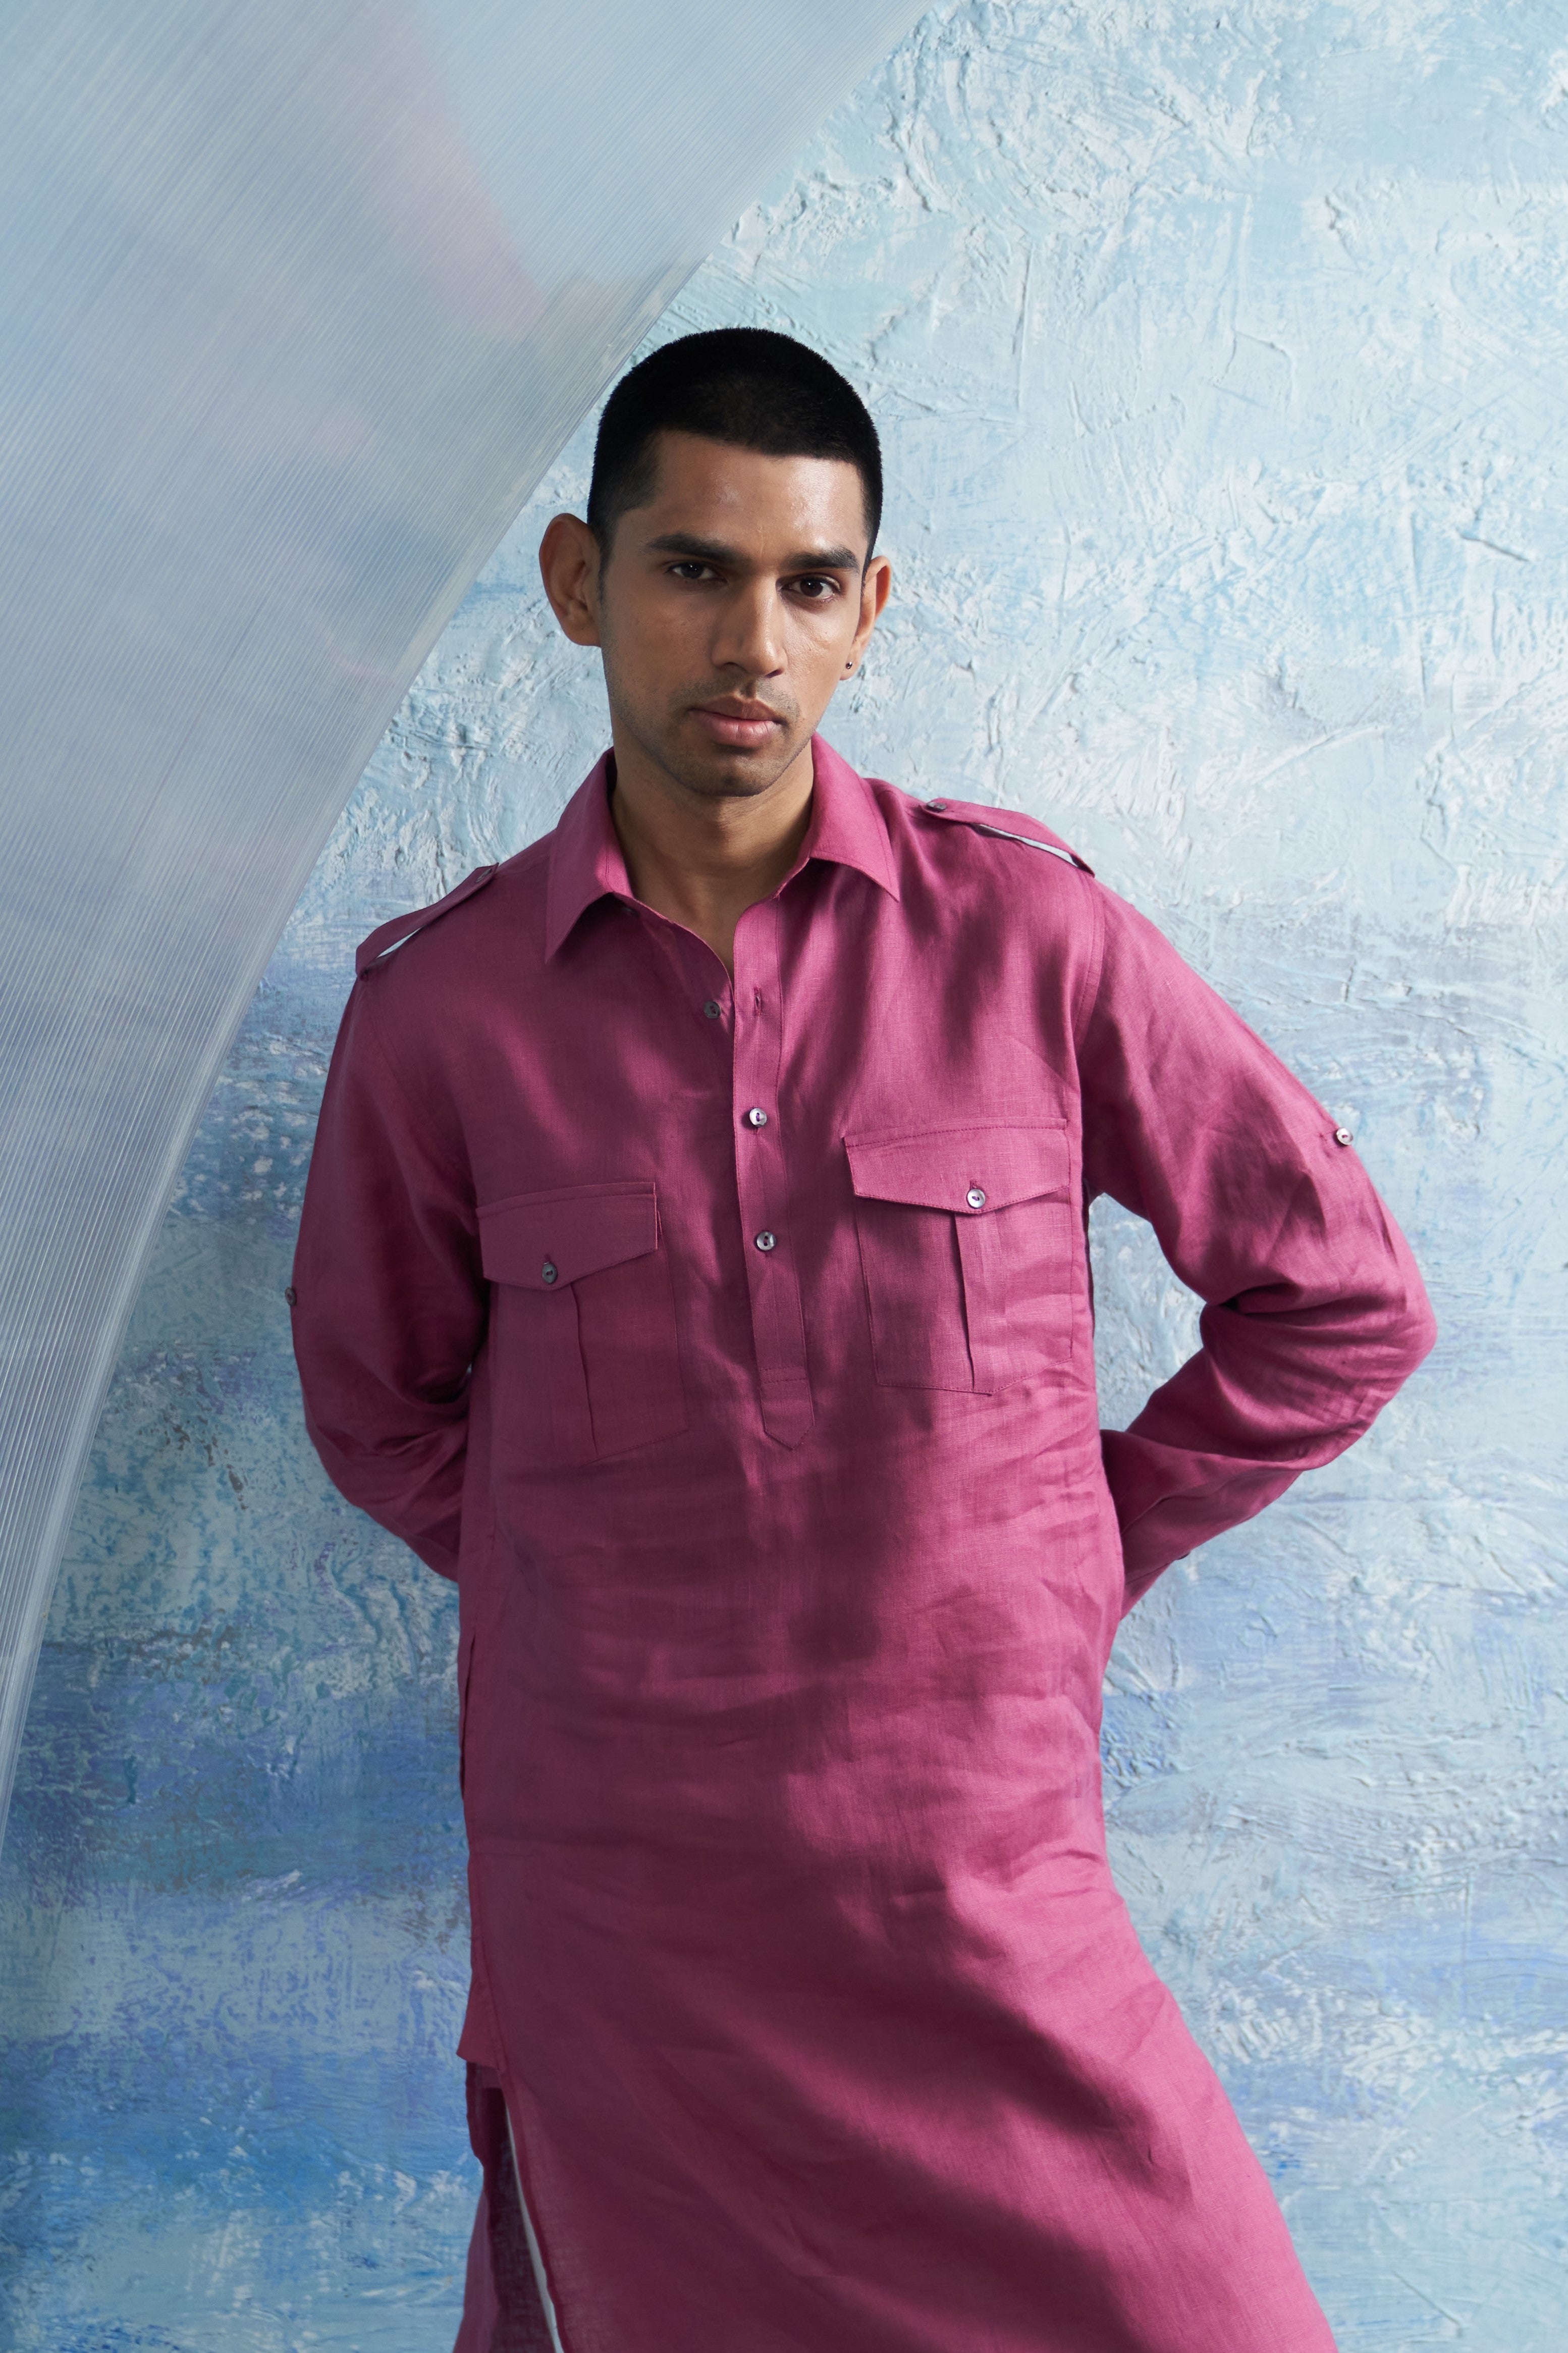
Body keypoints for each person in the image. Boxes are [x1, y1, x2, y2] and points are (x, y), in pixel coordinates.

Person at [290, 327, 1435, 2353]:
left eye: (807, 583)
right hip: (625, 1904)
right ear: (579, 582)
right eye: (693, 569)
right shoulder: (443, 1012)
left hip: (976, 1867)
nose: (753, 639)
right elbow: (376, 1406)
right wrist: (608, 1588)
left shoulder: (1027, 937)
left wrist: (1076, 1543)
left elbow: (1338, 1298)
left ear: (868, 608)